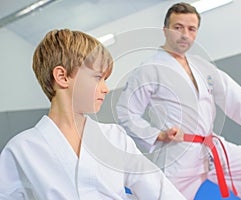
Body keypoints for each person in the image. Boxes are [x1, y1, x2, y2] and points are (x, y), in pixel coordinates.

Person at [116, 2, 241, 200]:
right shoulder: (149, 69)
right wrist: (157, 134)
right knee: (159, 197)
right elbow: (125, 112)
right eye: (178, 27)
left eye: (191, 29)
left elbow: (234, 97)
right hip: (178, 153)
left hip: (212, 146)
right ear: (166, 30)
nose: (185, 34)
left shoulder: (202, 67)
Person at [0, 29, 187, 200]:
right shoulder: (21, 149)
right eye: (98, 78)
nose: (106, 89)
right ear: (62, 77)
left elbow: (160, 191)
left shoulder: (114, 137)